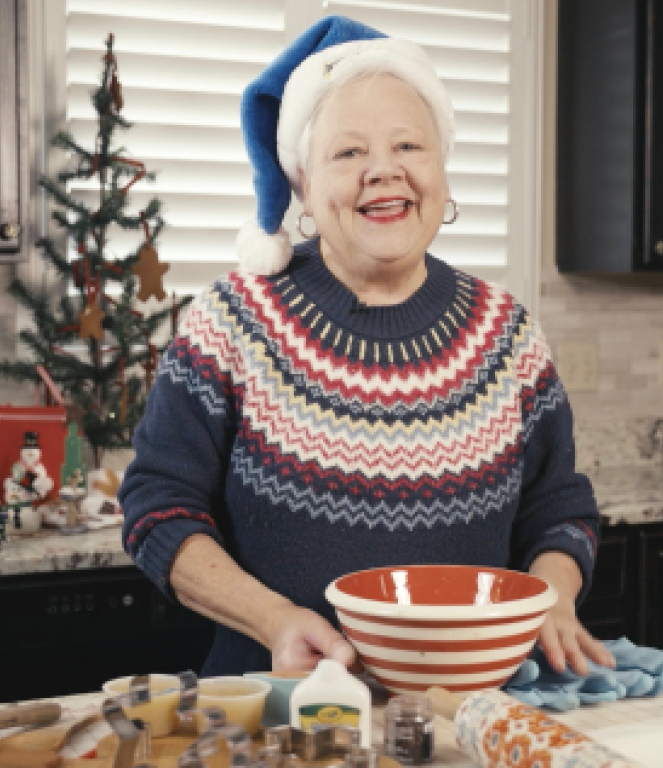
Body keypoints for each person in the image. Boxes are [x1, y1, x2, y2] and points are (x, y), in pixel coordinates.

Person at [120, 15, 614, 679]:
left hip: (469, 711)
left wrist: (552, 599)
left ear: (441, 170)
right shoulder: (232, 321)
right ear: (304, 186)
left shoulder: (509, 334)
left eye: (409, 145)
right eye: (348, 153)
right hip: (277, 711)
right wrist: (273, 622)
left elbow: (559, 510)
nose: (384, 171)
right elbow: (159, 509)